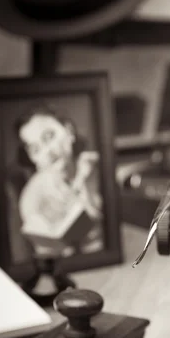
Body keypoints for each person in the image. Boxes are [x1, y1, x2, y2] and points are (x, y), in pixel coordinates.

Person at [16, 107, 103, 256]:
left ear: (69, 130)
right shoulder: (32, 196)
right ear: (32, 159)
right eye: (35, 149)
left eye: (49, 137)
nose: (47, 152)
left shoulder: (98, 168)